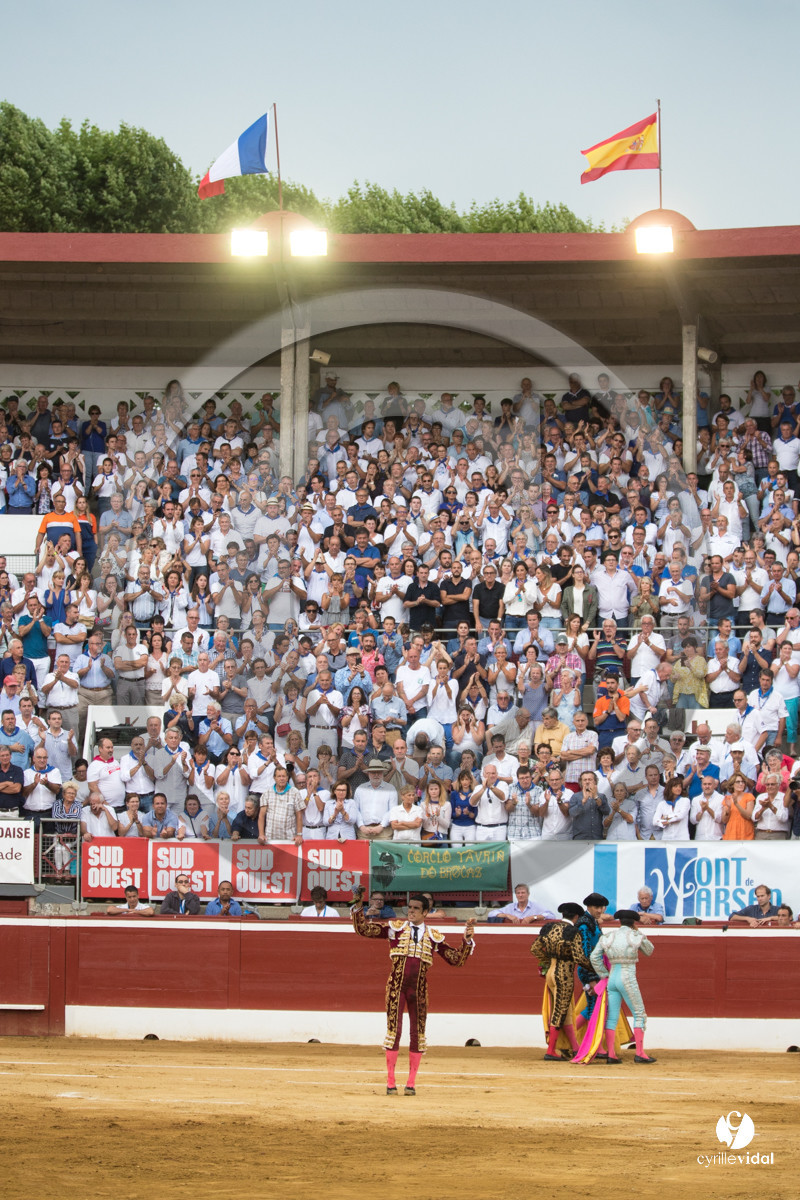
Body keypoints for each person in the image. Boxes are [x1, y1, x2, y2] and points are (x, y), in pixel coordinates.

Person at [351, 886, 475, 1095]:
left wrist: (467, 940)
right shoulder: (395, 928)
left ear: (425, 912)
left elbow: (456, 960)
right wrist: (357, 903)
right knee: (394, 1032)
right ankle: (391, 1081)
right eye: (409, 907)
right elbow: (363, 929)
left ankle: (411, 1083)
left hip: (418, 990)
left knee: (417, 1034)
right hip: (396, 987)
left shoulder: (434, 936)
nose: (411, 911)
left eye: (416, 908)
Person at [586, 910, 657, 1064]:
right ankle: (640, 1053)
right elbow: (649, 950)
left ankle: (611, 1055)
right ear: (633, 922)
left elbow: (594, 957)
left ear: (620, 921)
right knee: (639, 1014)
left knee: (612, 1017)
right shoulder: (635, 935)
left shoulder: (609, 936)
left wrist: (604, 974)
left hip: (612, 978)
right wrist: (638, 932)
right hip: (627, 977)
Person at [530, 901, 590, 1060]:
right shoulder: (573, 932)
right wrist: (594, 968)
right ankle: (550, 1051)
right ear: (576, 917)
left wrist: (549, 962)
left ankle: (576, 1048)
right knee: (559, 1011)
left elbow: (534, 948)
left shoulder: (550, 927)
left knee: (566, 1011)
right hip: (564, 975)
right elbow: (579, 957)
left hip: (551, 973)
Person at [489, 883, 555, 925]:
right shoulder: (510, 907)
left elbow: (551, 915)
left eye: (523, 893)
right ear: (516, 895)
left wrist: (533, 917)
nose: (520, 895)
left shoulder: (536, 906)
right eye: (518, 893)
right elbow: (491, 914)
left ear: (528, 894)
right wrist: (507, 915)